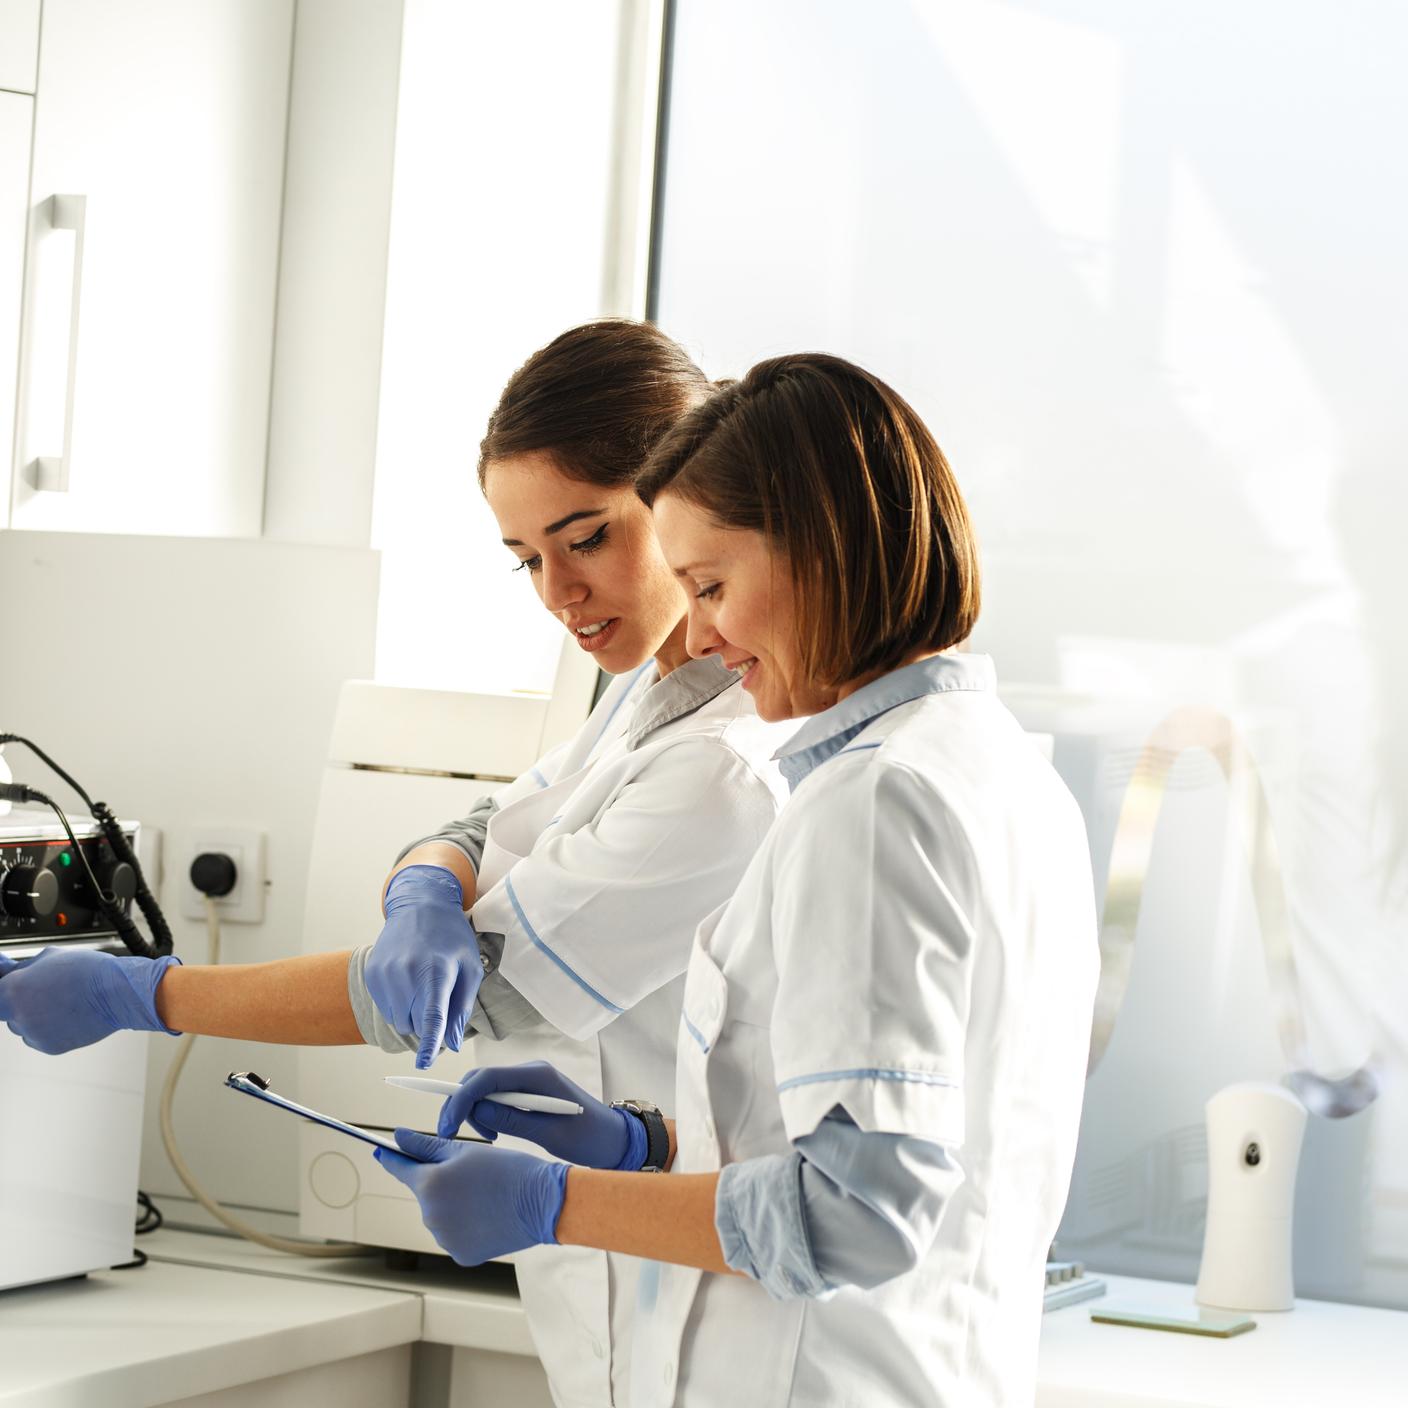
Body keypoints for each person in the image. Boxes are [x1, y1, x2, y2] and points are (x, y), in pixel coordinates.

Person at [0, 320, 794, 1408]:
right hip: (618, 1289)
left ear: (681, 499)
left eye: (587, 537)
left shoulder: (724, 762)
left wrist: (142, 993)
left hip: (714, 1306)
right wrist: (428, 883)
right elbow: (480, 820)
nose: (559, 592)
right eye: (527, 559)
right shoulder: (647, 700)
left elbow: (466, 994)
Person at [373, 353, 1101, 1406]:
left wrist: (556, 1202)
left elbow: (854, 1213)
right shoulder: (995, 765)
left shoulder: (872, 801)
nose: (702, 632)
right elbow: (906, 1141)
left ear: (824, 550)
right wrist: (649, 1142)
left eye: (712, 585)